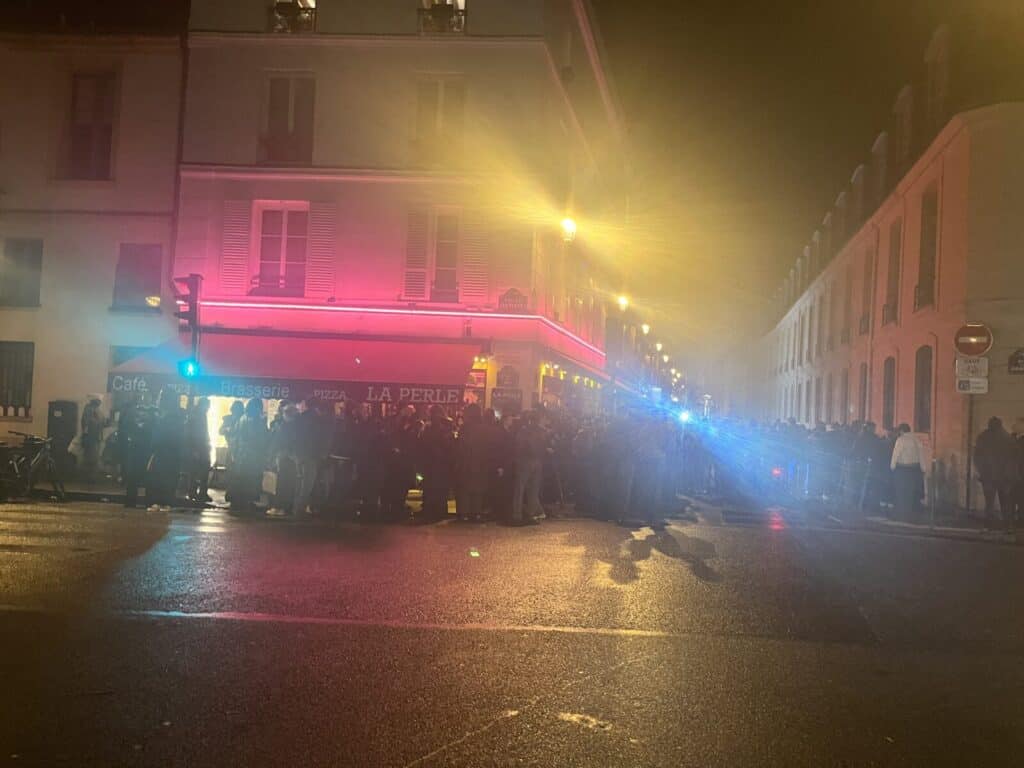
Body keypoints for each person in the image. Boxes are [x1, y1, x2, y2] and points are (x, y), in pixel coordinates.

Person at [974, 416, 1018, 528]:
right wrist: (1010, 475)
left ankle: (988, 525)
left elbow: (977, 457)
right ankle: (1007, 526)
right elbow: (1012, 459)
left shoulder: (983, 437)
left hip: (988, 477)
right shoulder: (1007, 438)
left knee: (989, 503)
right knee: (1005, 503)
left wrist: (981, 471)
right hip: (1003, 478)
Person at [146, 389, 186, 511]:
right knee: (168, 477)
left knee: (158, 477)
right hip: (173, 453)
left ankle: (158, 501)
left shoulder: (164, 418)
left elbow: (158, 436)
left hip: (162, 452)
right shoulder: (178, 417)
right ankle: (166, 502)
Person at [227, 398, 268, 514]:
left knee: (241, 478)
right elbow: (258, 438)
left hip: (241, 454)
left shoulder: (242, 418)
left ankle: (238, 501)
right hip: (252, 455)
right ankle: (246, 502)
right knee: (250, 478)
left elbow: (236, 436)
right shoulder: (254, 420)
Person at [511, 409, 548, 525]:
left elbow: (518, 445)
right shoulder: (543, 432)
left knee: (520, 489)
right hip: (538, 462)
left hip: (525, 461)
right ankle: (531, 515)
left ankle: (517, 514)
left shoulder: (524, 431)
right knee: (533, 490)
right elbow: (545, 446)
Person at [419, 404, 454, 522]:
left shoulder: (427, 428)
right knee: (441, 489)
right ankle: (440, 511)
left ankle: (429, 510)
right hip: (442, 463)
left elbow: (422, 445)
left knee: (430, 488)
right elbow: (450, 445)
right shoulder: (446, 427)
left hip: (430, 463)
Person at [455, 403, 489, 522]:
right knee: (477, 489)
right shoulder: (483, 428)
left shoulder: (465, 428)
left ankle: (464, 513)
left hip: (466, 462)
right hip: (480, 463)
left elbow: (461, 446)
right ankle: (476, 513)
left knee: (464, 489)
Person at [118, 398, 153, 509]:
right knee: (144, 477)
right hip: (144, 452)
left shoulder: (129, 419)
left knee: (133, 478)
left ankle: (130, 501)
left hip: (135, 451)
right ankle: (146, 501)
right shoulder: (149, 422)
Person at [890, 423, 925, 522]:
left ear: (901, 431)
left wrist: (892, 466)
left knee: (901, 491)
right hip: (914, 469)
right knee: (910, 492)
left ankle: (902, 513)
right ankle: (909, 513)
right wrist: (923, 468)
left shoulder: (900, 440)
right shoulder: (917, 440)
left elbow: (895, 454)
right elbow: (921, 454)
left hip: (902, 469)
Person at [185, 397, 212, 504]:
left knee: (199, 471)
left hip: (201, 447)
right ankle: (196, 492)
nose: (208, 408)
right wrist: (195, 449)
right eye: (207, 406)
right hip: (199, 448)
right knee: (198, 471)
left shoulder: (198, 414)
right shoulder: (197, 416)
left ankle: (197, 492)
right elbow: (193, 434)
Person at [80, 397, 106, 483]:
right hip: (92, 437)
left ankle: (90, 477)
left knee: (90, 457)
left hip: (92, 437)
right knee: (92, 458)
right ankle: (90, 478)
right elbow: (91, 423)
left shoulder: (90, 410)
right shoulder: (91, 410)